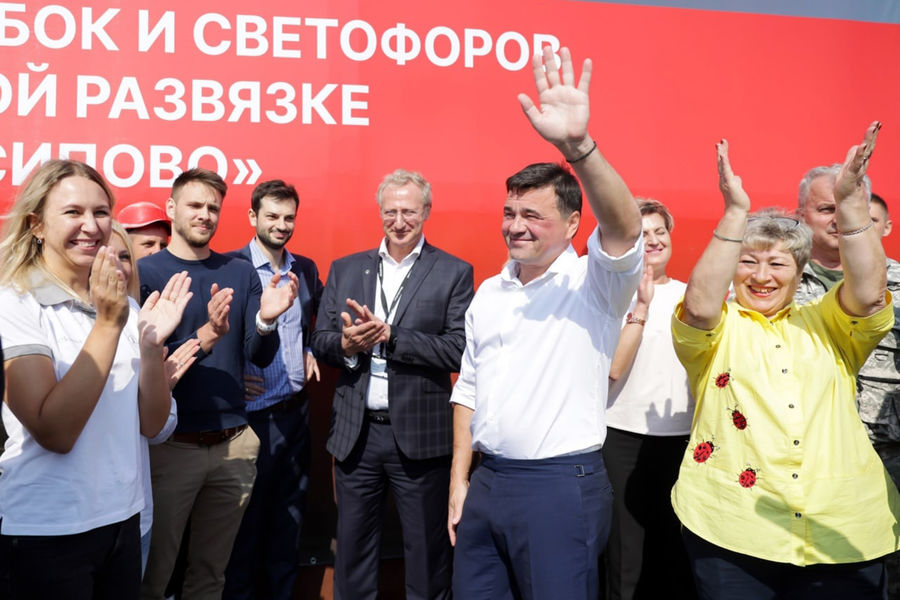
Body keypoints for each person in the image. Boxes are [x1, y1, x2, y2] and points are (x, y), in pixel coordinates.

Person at [670, 126, 900, 599]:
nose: (762, 276)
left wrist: (850, 201)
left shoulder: (828, 322)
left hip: (841, 529)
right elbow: (699, 305)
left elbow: (869, 294)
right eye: (748, 262)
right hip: (733, 527)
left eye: (777, 264)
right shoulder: (718, 329)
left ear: (800, 274)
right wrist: (735, 212)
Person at [448, 46, 644, 599]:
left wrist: (579, 148)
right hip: (487, 483)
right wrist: (460, 481)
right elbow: (468, 390)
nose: (516, 226)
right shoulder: (489, 292)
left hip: (559, 488)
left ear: (573, 223)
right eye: (509, 212)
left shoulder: (594, 284)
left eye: (533, 215)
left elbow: (625, 229)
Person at [0, 159, 192, 599]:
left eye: (101, 212)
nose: (91, 225)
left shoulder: (124, 305)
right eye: (73, 212)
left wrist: (150, 348)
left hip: (125, 522)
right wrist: (108, 323)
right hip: (46, 531)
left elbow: (152, 426)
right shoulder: (15, 304)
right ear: (36, 225)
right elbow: (55, 432)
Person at [310, 168, 474, 600]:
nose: (399, 221)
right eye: (391, 212)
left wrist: (391, 336)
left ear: (426, 212)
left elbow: (458, 350)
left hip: (421, 439)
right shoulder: (346, 269)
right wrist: (346, 345)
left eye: (409, 212)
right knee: (353, 556)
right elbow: (320, 340)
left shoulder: (453, 272)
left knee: (426, 556)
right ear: (380, 211)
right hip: (357, 436)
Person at [139, 168, 299, 600]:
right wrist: (205, 336)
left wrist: (267, 320)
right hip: (170, 448)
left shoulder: (240, 272)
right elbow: (140, 364)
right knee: (153, 573)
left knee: (212, 575)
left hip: (234, 445)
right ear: (172, 208)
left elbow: (257, 355)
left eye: (213, 207)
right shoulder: (145, 272)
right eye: (195, 205)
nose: (205, 215)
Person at [223, 180, 324, 600]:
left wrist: (311, 348)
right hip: (251, 421)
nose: (281, 225)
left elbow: (315, 320)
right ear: (253, 217)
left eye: (288, 217)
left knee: (289, 524)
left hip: (295, 415)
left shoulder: (306, 269)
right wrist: (233, 376)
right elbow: (217, 334)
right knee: (245, 528)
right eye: (272, 216)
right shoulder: (232, 268)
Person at [603, 198, 696, 599]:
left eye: (661, 231)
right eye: (643, 234)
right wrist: (639, 307)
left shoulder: (694, 297)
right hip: (621, 436)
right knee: (626, 552)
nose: (654, 240)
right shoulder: (610, 298)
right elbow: (611, 369)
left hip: (683, 439)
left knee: (674, 551)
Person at [109, 222, 199, 576]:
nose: (117, 266)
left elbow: (157, 429)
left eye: (123, 257)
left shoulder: (138, 316)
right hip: (62, 522)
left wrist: (157, 377)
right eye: (105, 254)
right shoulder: (32, 311)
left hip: (133, 513)